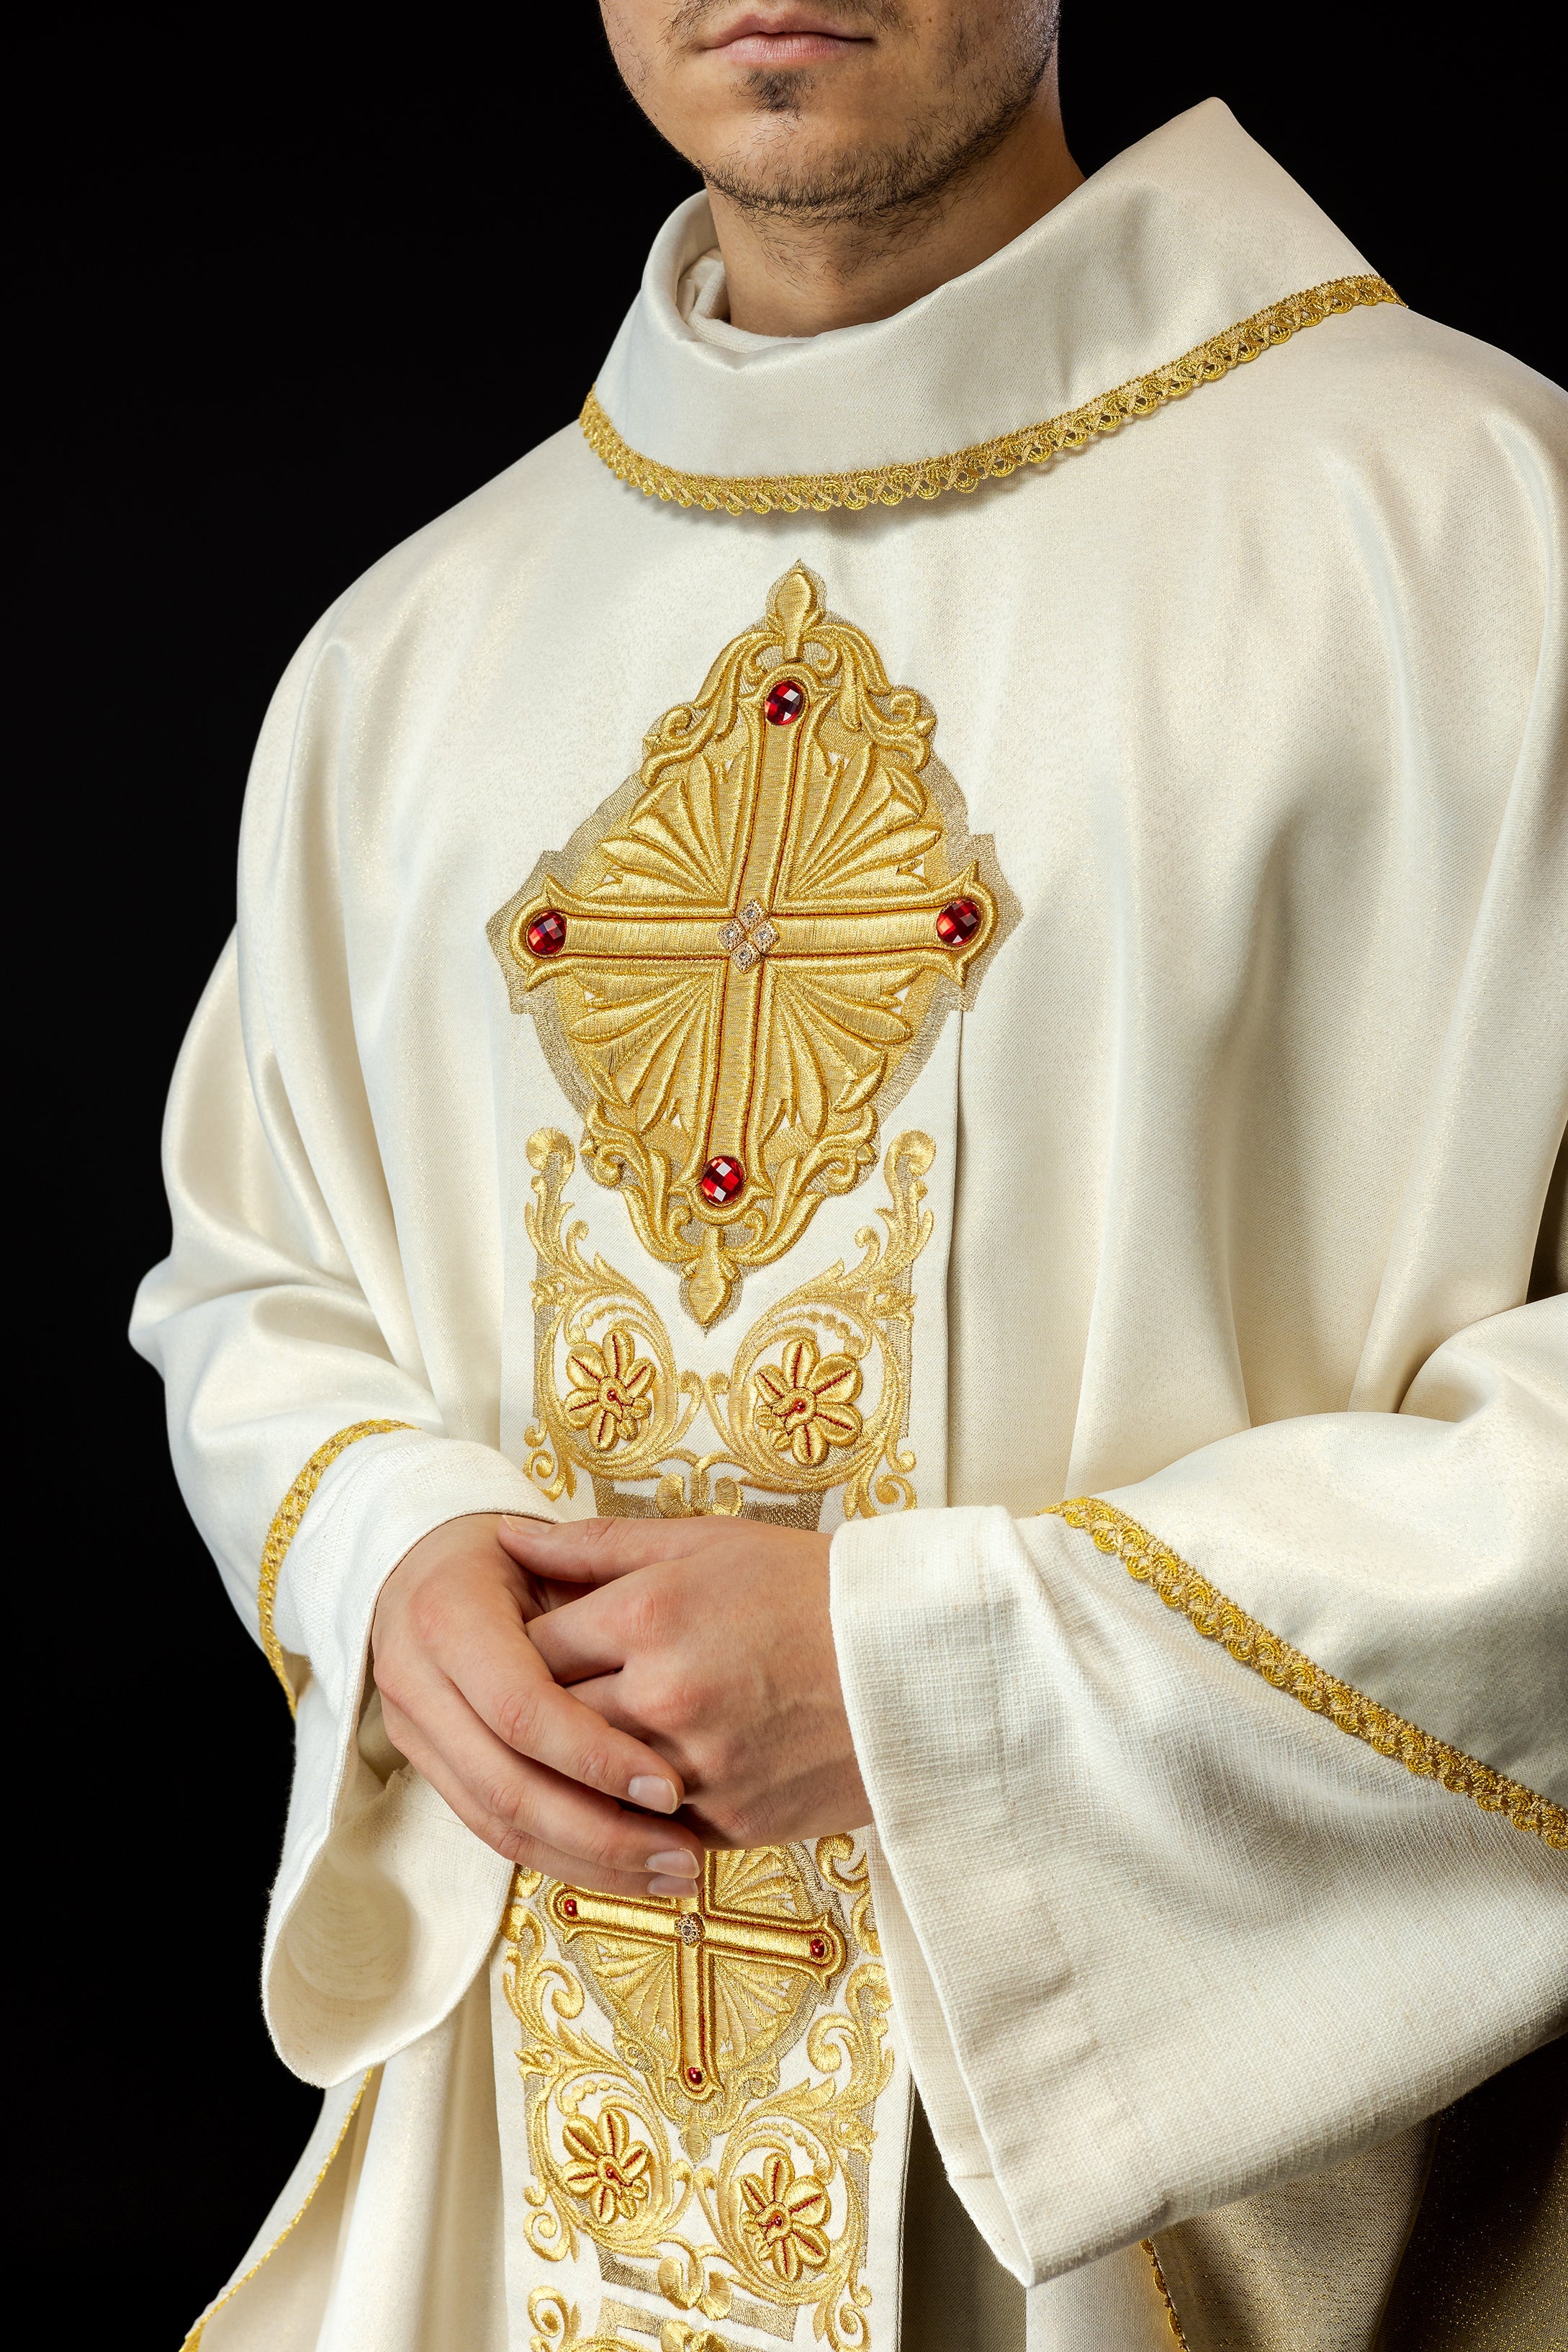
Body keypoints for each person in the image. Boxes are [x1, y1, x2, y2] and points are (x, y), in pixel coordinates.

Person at [134, 6, 1567, 2348]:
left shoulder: (1482, 539)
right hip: (525, 2211)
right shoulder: (408, 657)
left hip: (1172, 2245)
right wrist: (387, 1549)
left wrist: (928, 1682)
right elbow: (255, 1274)